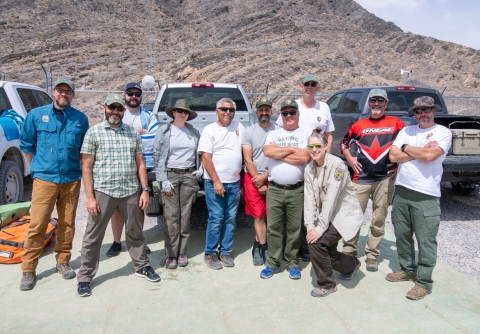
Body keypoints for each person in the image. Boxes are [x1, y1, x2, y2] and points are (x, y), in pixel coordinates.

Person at [76, 93, 160, 297]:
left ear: (124, 111)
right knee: (93, 235)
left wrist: (145, 190)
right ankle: (85, 277)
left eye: (119, 108)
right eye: (112, 108)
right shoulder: (94, 133)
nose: (115, 112)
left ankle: (141, 266)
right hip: (103, 191)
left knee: (135, 231)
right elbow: (86, 167)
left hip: (130, 191)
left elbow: (141, 164)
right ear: (105, 108)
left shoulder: (132, 133)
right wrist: (89, 197)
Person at [19, 78, 89, 291]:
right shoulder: (36, 116)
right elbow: (27, 146)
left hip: (71, 180)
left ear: (73, 95)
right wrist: (40, 168)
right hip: (45, 180)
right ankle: (28, 269)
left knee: (67, 224)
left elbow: (84, 150)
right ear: (53, 91)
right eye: (60, 90)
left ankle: (63, 261)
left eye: (68, 91)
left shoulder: (80, 119)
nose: (63, 94)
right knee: (38, 224)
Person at [386, 96, 452, 300]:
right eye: (418, 111)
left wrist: (406, 148)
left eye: (427, 110)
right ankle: (407, 269)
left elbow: (430, 157)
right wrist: (419, 151)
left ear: (434, 111)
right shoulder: (407, 130)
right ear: (414, 113)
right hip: (403, 191)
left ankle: (423, 282)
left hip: (426, 195)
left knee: (426, 241)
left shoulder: (443, 132)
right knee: (402, 236)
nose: (423, 114)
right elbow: (393, 156)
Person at [340, 89, 405, 271]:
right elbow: (343, 144)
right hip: (360, 179)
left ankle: (372, 256)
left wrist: (399, 166)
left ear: (386, 103)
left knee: (378, 218)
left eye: (380, 101)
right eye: (373, 100)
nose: (376, 104)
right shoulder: (359, 125)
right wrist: (350, 159)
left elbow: (408, 147)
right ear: (368, 103)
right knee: (353, 217)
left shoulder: (397, 124)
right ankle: (348, 251)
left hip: (384, 179)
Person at [277, 74, 335, 262]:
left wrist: (325, 160)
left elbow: (329, 135)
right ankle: (292, 245)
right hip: (297, 162)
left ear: (317, 87)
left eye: (313, 84)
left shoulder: (324, 107)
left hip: (317, 163)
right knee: (297, 206)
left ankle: (308, 244)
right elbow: (279, 132)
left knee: (314, 204)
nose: (309, 87)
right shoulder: (291, 106)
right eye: (306, 84)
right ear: (300, 86)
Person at [304, 131, 364, 297]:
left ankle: (327, 284)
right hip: (327, 215)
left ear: (325, 147)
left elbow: (331, 198)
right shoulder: (309, 169)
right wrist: (310, 226)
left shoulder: (336, 165)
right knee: (327, 253)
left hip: (344, 215)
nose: (314, 150)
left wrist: (319, 228)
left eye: (318, 146)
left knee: (316, 244)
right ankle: (351, 265)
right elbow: (309, 201)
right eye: (311, 146)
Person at [106, 82, 158, 257]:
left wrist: (125, 132)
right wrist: (138, 132)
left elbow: (152, 138)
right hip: (118, 168)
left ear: (141, 96)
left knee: (139, 206)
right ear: (124, 95)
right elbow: (109, 135)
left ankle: (138, 239)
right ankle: (116, 241)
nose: (133, 97)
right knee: (116, 208)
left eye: (137, 94)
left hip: (142, 167)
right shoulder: (116, 113)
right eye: (130, 94)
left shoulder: (150, 116)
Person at [260, 99, 310, 280]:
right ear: (281, 116)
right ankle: (273, 262)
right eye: (285, 113)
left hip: (296, 190)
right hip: (275, 189)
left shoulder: (305, 134)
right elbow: (268, 152)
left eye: (292, 113)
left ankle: (292, 262)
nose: (289, 116)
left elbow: (305, 157)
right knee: (273, 228)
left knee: (294, 228)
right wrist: (292, 150)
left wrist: (280, 152)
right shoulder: (274, 133)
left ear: (298, 114)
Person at [153, 99, 202, 269]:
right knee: (171, 216)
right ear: (173, 112)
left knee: (185, 216)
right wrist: (162, 179)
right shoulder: (165, 131)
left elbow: (201, 153)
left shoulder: (193, 132)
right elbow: (157, 155)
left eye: (186, 112)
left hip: (189, 176)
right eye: (179, 111)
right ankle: (171, 254)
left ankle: (182, 252)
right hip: (171, 176)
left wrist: (201, 169)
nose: (183, 114)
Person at [198, 98, 244, 270]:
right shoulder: (209, 130)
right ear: (216, 111)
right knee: (216, 218)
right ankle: (210, 253)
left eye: (231, 110)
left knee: (230, 218)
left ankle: (225, 252)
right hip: (215, 182)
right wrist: (217, 181)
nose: (227, 112)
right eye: (223, 109)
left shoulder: (239, 127)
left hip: (234, 182)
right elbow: (206, 157)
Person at [242, 98, 277, 266]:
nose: (264, 112)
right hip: (253, 177)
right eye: (261, 110)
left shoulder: (278, 130)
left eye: (267, 109)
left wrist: (266, 177)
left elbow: (279, 157)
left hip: (273, 177)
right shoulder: (249, 132)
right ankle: (263, 248)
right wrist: (259, 181)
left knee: (271, 215)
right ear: (256, 112)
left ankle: (257, 245)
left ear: (271, 112)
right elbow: (248, 160)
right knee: (258, 216)